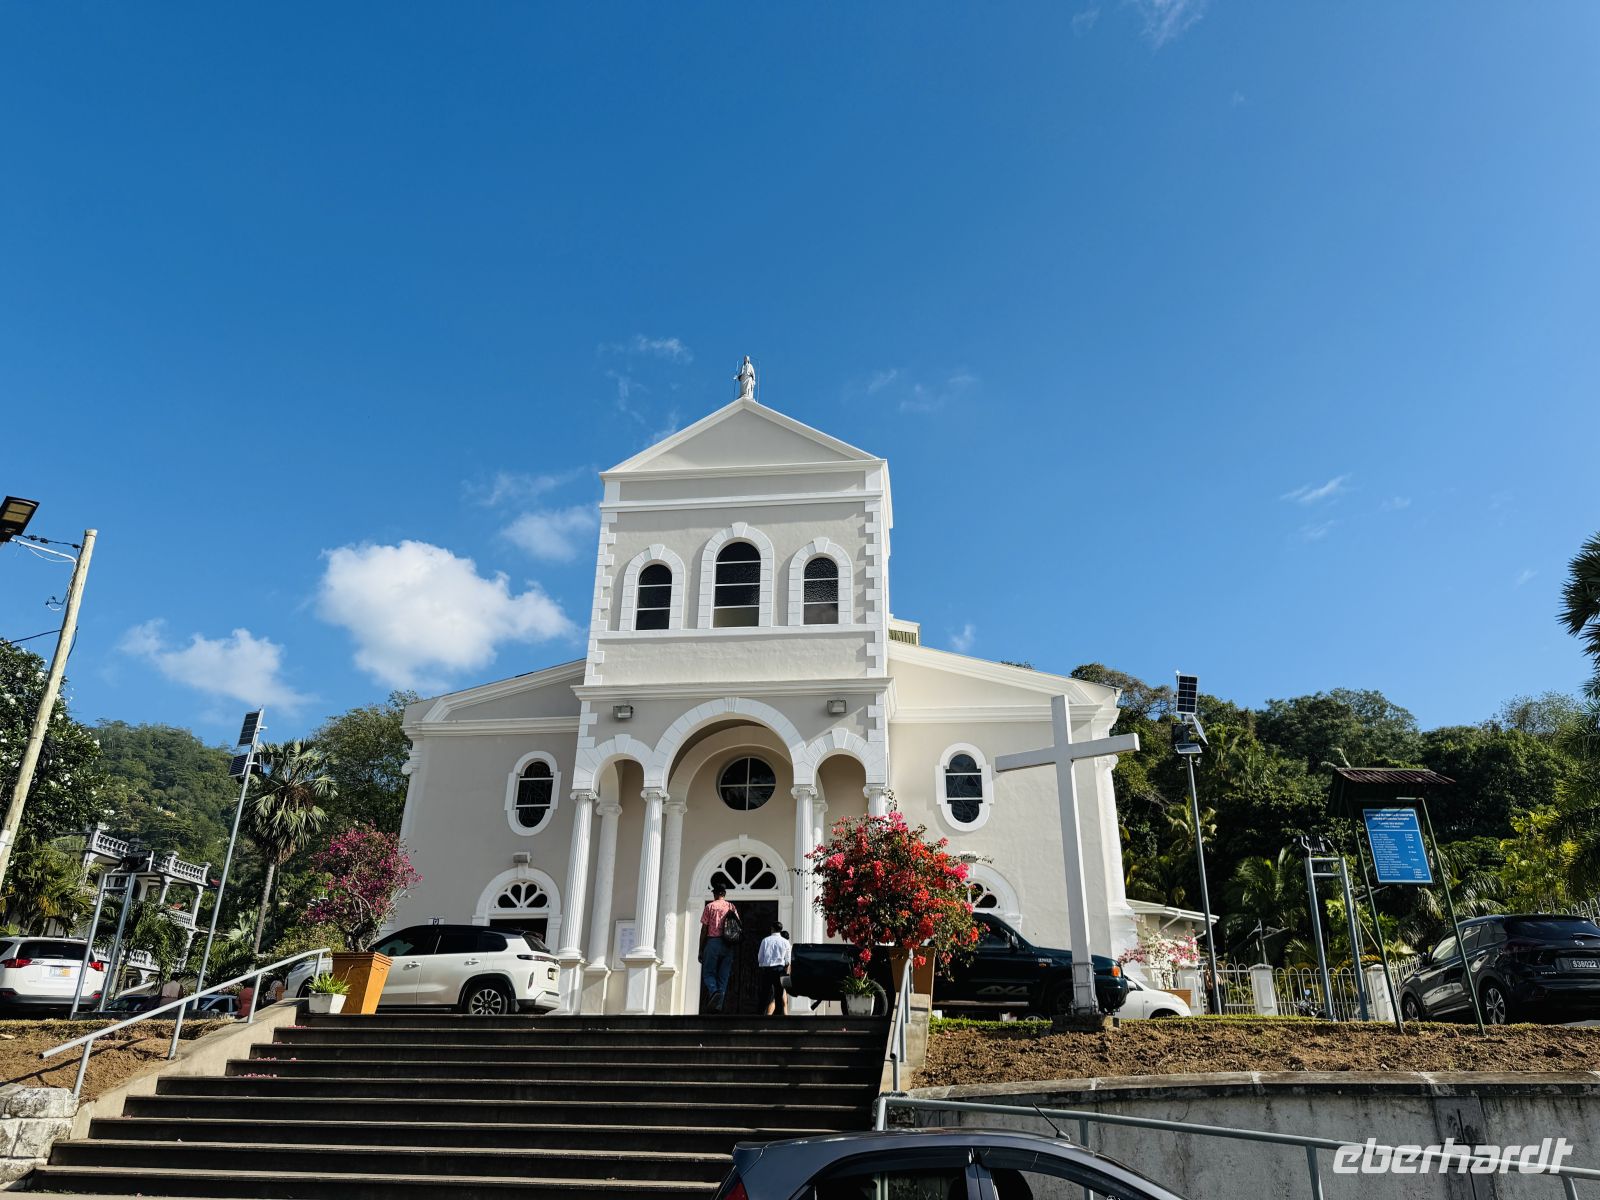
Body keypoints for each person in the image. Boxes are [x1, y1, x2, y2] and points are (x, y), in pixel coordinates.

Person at [698, 884, 738, 1012]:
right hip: (728, 943)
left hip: (713, 942)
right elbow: (737, 925)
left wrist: (700, 948)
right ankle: (718, 1005)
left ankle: (714, 991)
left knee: (708, 972)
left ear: (715, 894)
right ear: (724, 894)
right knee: (723, 975)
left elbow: (704, 929)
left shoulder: (710, 906)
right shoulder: (731, 906)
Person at [757, 924, 791, 1017]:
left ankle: (760, 1014)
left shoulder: (765, 940)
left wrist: (762, 965)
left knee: (765, 992)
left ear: (772, 928)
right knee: (778, 993)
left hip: (767, 969)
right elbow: (788, 960)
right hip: (779, 969)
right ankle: (777, 1015)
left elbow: (760, 957)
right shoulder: (785, 942)